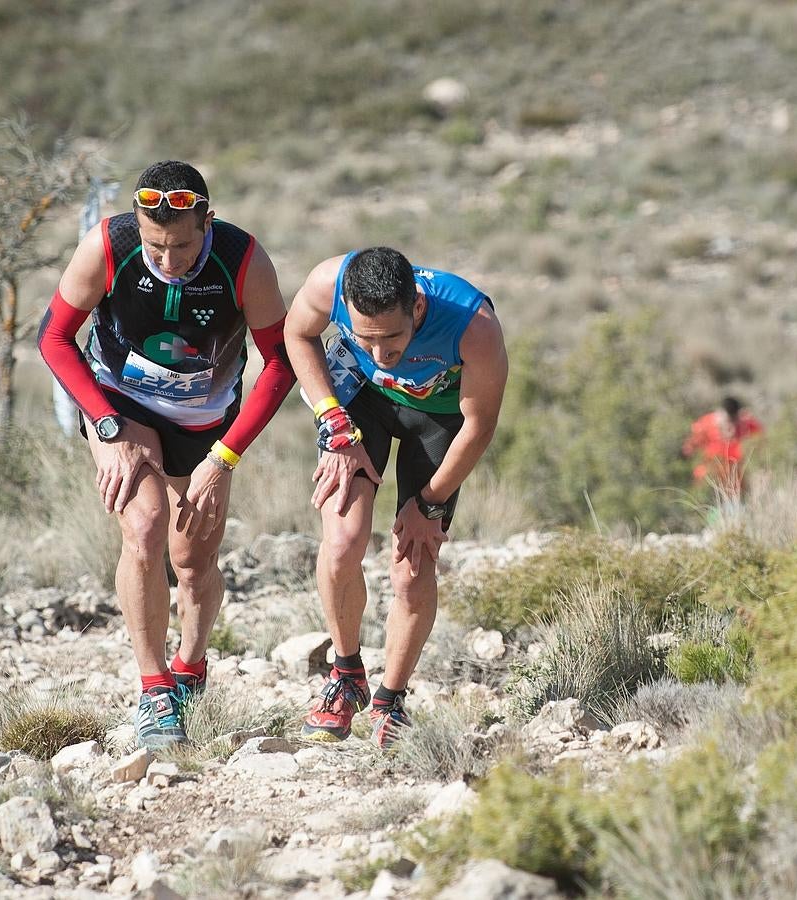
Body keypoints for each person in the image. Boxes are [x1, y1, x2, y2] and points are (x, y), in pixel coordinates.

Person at [37, 161, 295, 749]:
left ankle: (190, 667)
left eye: (181, 245)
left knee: (193, 559)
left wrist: (224, 456)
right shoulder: (108, 245)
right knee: (146, 528)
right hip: (122, 406)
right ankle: (154, 690)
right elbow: (53, 337)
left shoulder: (243, 261)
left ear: (207, 221)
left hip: (205, 421)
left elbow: (279, 362)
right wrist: (104, 426)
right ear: (137, 226)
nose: (169, 261)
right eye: (156, 245)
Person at [282, 247, 507, 749]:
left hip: (441, 420)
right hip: (363, 402)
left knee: (412, 566)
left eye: (394, 338)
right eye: (365, 338)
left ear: (418, 311)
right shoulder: (326, 282)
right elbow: (297, 334)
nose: (382, 353)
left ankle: (390, 700)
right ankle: (346, 674)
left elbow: (480, 424)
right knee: (342, 543)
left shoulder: (473, 324)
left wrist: (429, 502)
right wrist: (332, 419)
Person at [682, 396, 762, 494]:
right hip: (708, 480)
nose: (730, 426)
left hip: (736, 484)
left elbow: (760, 444)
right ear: (720, 413)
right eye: (727, 420)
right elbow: (689, 449)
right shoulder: (705, 424)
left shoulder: (747, 424)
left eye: (733, 421)